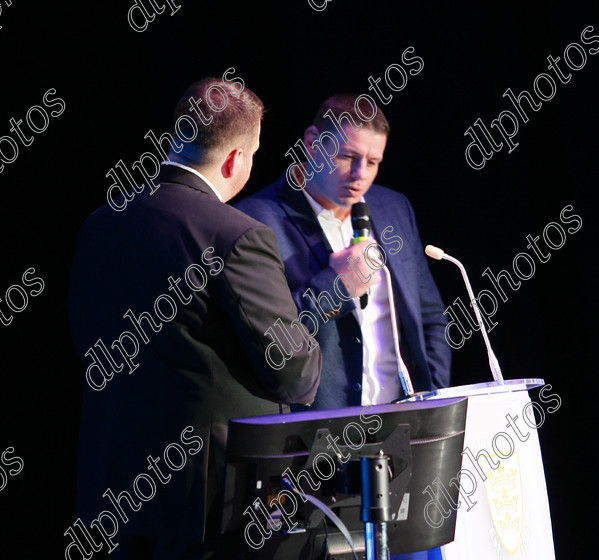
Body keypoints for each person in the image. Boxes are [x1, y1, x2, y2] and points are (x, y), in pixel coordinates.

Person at [68, 77, 321, 559]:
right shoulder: (237, 235)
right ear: (235, 160)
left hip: (111, 487)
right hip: (205, 502)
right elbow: (292, 370)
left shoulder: (101, 221)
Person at [235, 94, 451, 412]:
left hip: (404, 425)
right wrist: (337, 286)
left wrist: (434, 401)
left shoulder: (393, 208)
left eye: (373, 162)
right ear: (312, 143)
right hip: (318, 437)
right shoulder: (253, 222)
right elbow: (266, 343)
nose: (360, 174)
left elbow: (431, 319)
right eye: (347, 156)